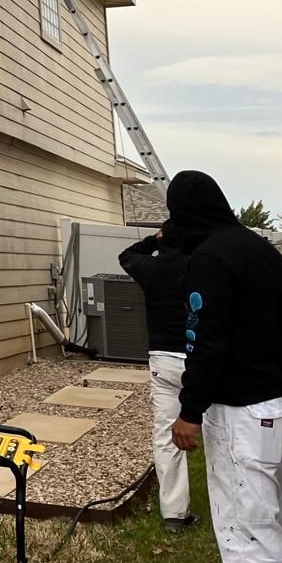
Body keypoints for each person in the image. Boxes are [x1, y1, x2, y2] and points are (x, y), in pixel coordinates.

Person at [165, 170, 282, 563]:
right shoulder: (263, 251)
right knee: (272, 522)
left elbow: (205, 341)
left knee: (247, 532)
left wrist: (190, 411)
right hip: (279, 403)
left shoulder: (210, 259)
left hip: (242, 412)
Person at [118, 223, 195, 533]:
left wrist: (153, 239)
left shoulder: (150, 267)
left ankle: (175, 514)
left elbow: (126, 255)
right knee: (219, 431)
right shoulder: (198, 266)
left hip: (163, 359)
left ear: (164, 239)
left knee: (166, 436)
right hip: (199, 358)